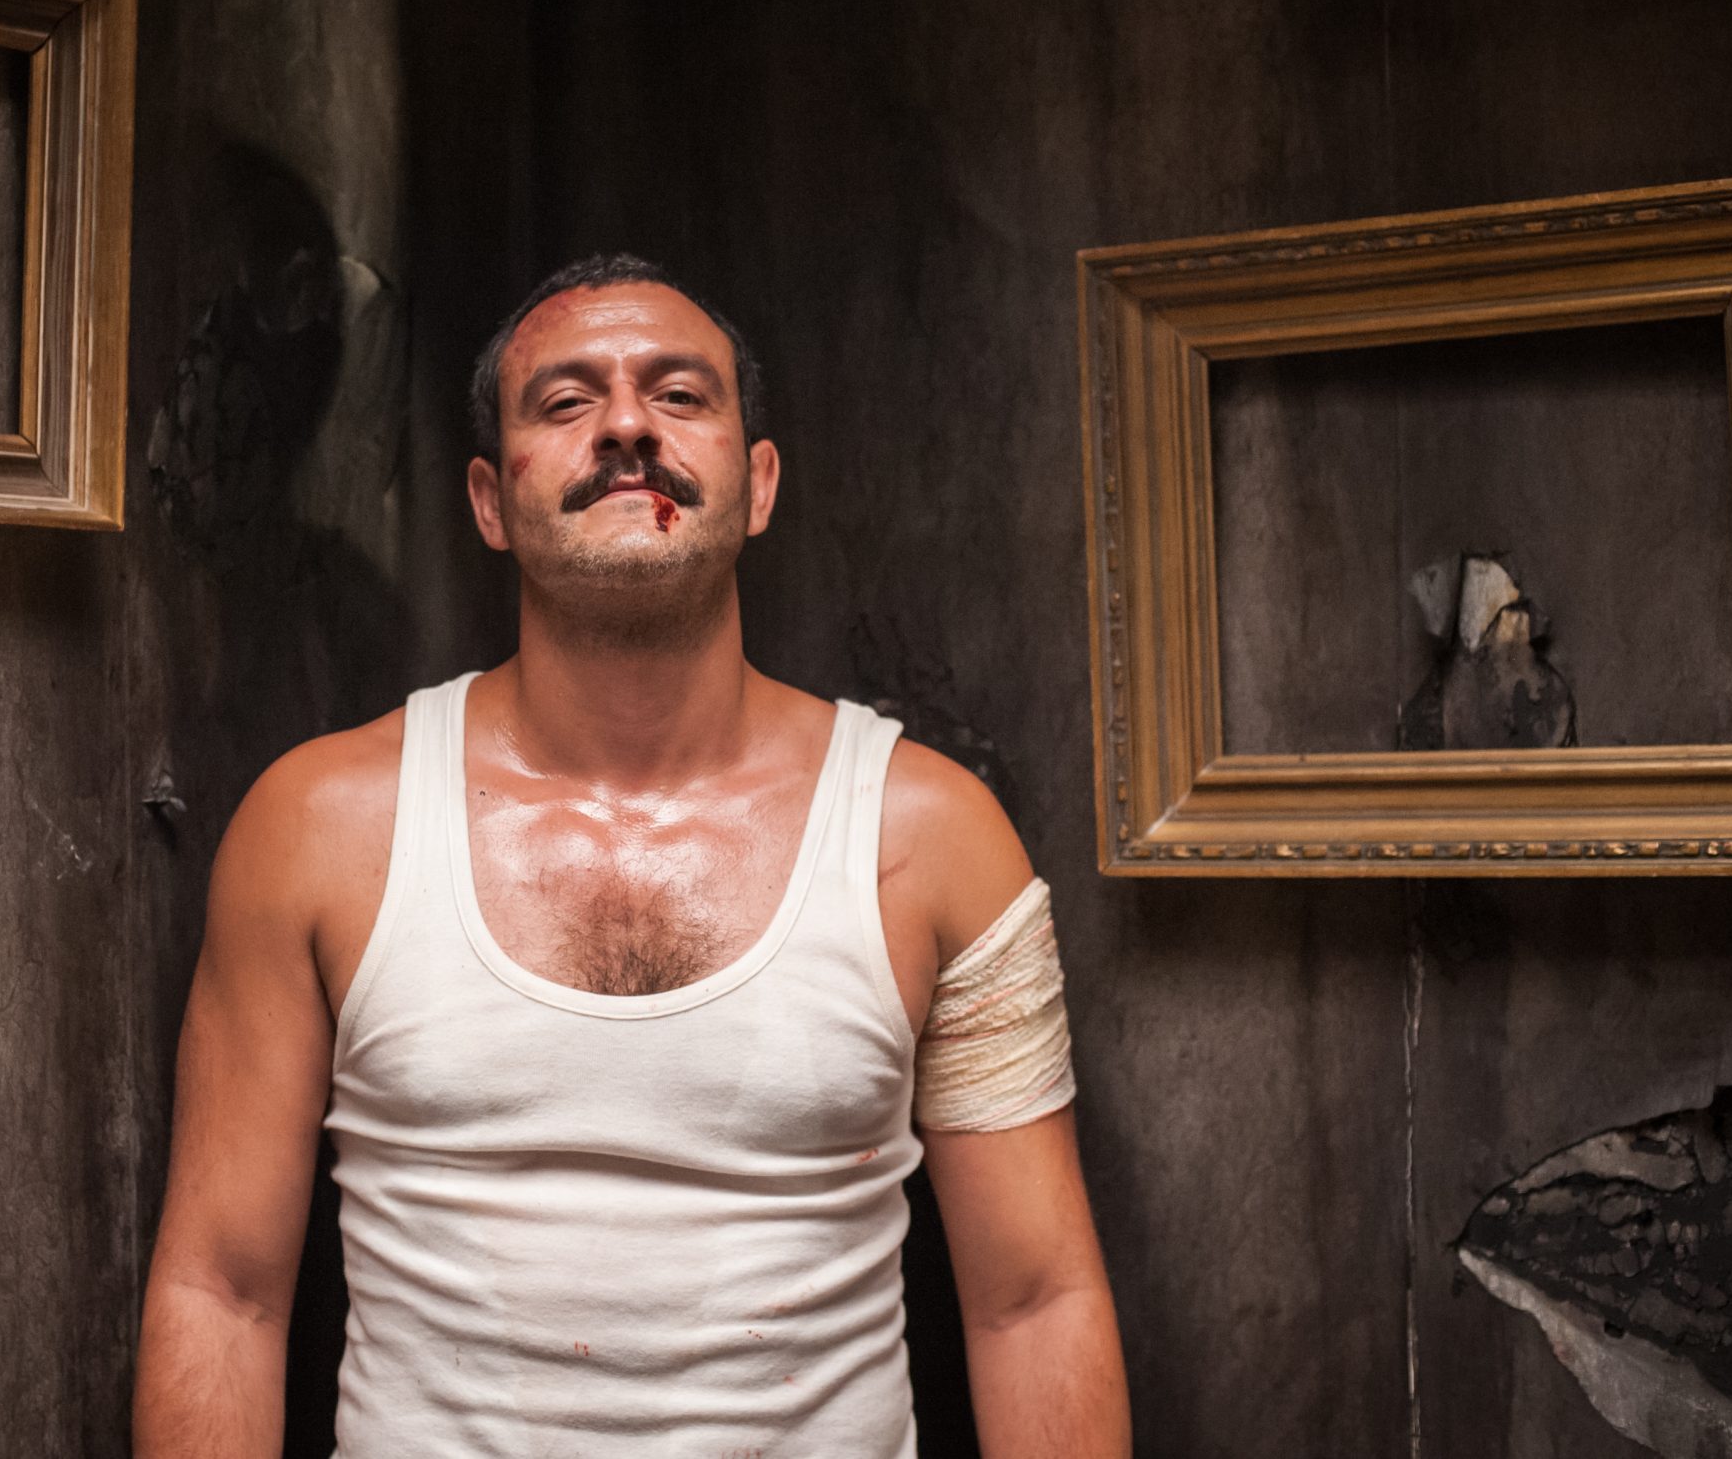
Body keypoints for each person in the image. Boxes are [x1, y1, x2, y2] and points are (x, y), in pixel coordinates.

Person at [135, 255, 1129, 1456]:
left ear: (758, 483)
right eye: (565, 401)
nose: (623, 425)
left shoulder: (931, 834)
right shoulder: (319, 824)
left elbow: (1034, 1300)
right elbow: (223, 1291)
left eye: (679, 394)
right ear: (488, 500)